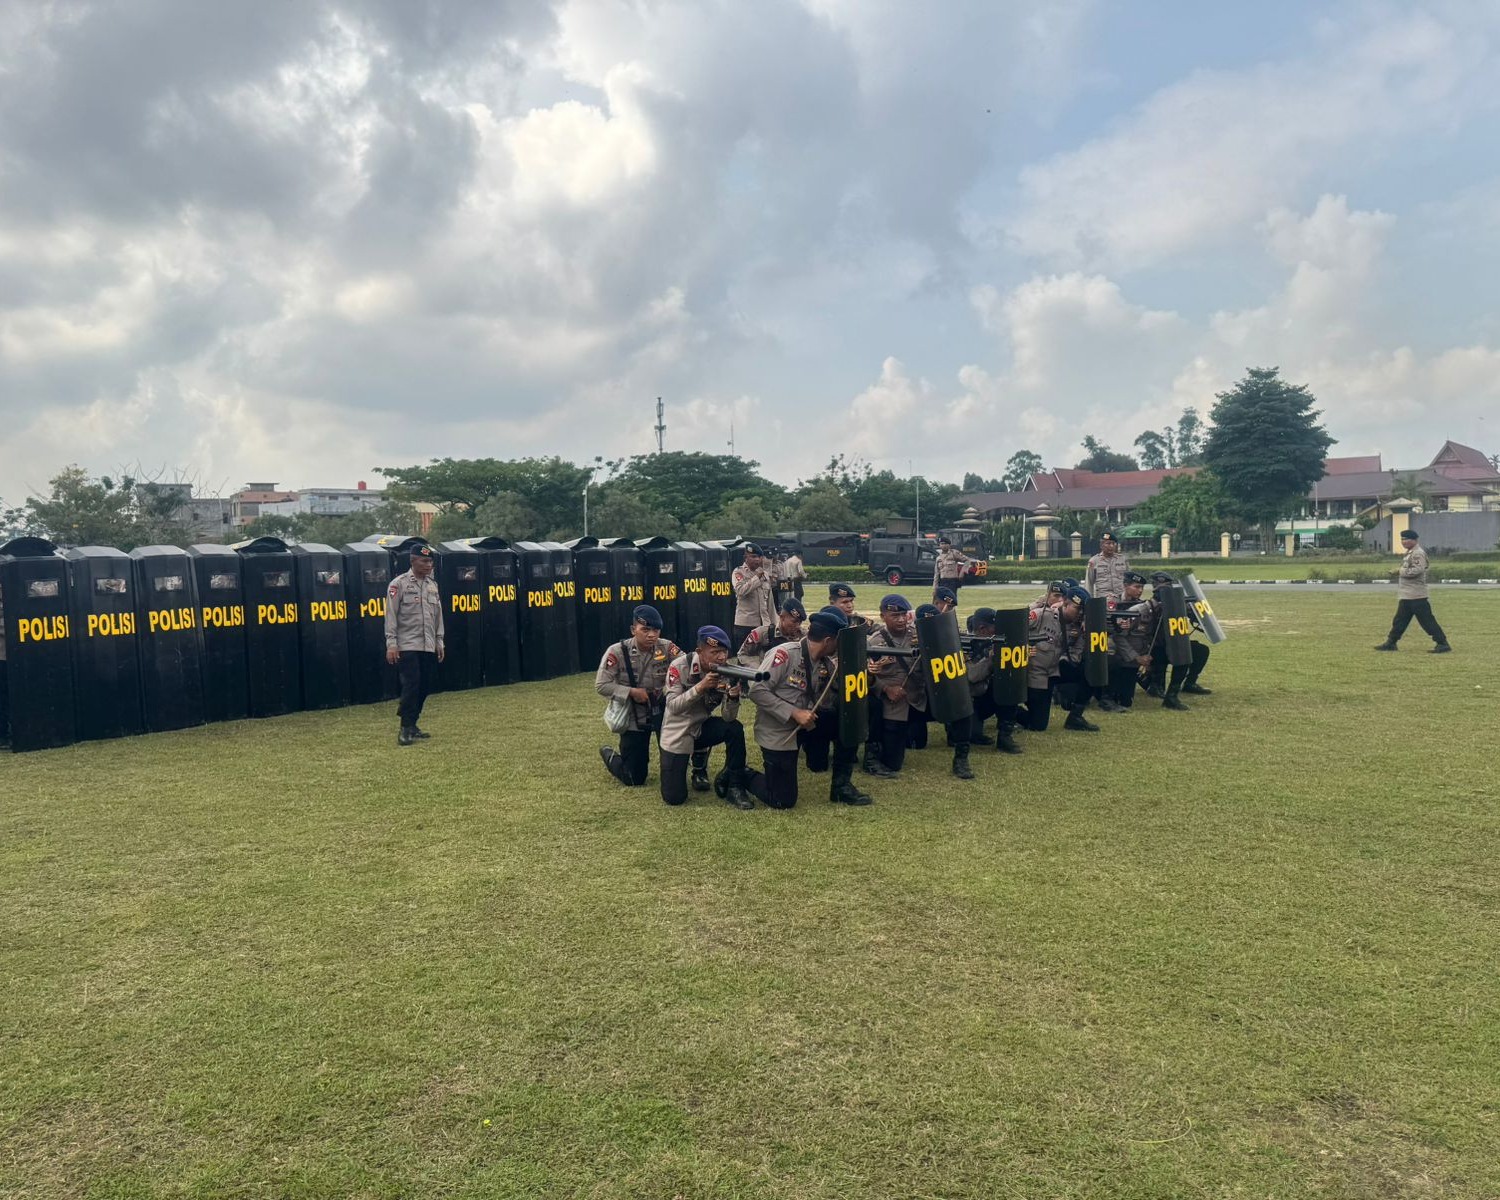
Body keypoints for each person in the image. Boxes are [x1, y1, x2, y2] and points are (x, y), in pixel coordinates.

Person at [746, 607, 870, 808]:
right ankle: (741, 775)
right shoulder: (784, 655)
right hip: (779, 731)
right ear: (828, 641)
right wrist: (794, 712)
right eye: (838, 642)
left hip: (806, 725)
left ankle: (841, 786)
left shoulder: (826, 662)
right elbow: (757, 691)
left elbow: (838, 689)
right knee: (782, 800)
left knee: (846, 721)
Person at [659, 626, 752, 809]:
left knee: (734, 729)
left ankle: (734, 784)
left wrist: (733, 698)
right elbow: (673, 706)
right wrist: (700, 687)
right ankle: (696, 766)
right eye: (715, 652)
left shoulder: (726, 671)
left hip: (701, 728)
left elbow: (728, 717)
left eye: (724, 651)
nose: (721, 657)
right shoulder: (679, 667)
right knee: (674, 798)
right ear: (700, 652)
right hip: (678, 733)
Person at [597, 605, 681, 787]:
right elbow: (602, 685)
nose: (651, 635)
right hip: (634, 716)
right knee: (634, 778)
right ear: (633, 629)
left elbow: (686, 664)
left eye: (656, 630)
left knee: (674, 771)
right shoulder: (617, 651)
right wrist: (631, 692)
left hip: (662, 712)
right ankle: (608, 753)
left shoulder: (667, 648)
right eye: (645, 630)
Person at [385, 543, 445, 746]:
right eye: (425, 561)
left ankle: (413, 724)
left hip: (428, 644)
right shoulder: (398, 584)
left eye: (431, 561)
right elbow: (391, 616)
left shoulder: (432, 585)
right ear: (413, 561)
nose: (429, 565)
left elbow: (438, 616)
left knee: (424, 686)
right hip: (407, 644)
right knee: (411, 685)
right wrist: (391, 644)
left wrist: (439, 641)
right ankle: (404, 727)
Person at [1376, 529, 1452, 653]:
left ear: (1415, 540)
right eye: (1402, 539)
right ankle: (1391, 642)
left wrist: (1399, 571)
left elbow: (1417, 570)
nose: (1403, 542)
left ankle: (1442, 643)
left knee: (1427, 621)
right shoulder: (1410, 553)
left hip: (1416, 595)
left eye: (1406, 539)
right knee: (1399, 620)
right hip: (1407, 594)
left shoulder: (1417, 553)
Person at [963, 608, 1023, 755]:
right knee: (970, 735)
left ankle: (1005, 736)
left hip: (985, 696)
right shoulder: (964, 645)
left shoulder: (992, 641)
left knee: (1008, 683)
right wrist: (991, 659)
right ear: (982, 629)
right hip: (968, 702)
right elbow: (972, 676)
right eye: (995, 628)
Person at [1055, 585, 1103, 730]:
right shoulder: (1048, 616)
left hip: (1063, 666)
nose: (1080, 612)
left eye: (1083, 610)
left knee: (1091, 671)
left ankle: (1075, 716)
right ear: (1065, 603)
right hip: (1042, 669)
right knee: (1037, 724)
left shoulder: (1081, 622)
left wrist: (1089, 624)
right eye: (1077, 608)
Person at [1021, 588, 1064, 731]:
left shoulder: (1066, 617)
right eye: (1056, 596)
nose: (1059, 600)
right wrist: (1024, 648)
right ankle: (1007, 712)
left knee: (1040, 725)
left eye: (1062, 598)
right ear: (1047, 596)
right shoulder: (1038, 614)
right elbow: (1015, 630)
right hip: (1032, 673)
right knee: (1036, 724)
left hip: (1050, 675)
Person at [1108, 572, 1152, 709]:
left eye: (1142, 588)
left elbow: (1145, 635)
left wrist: (1146, 656)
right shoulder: (1111, 604)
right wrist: (1136, 657)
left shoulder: (1143, 607)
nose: (1140, 590)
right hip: (1114, 653)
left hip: (1132, 657)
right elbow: (1115, 636)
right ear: (1125, 586)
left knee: (1126, 701)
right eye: (1136, 586)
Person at [731, 543, 775, 648]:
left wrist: (773, 624)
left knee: (763, 657)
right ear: (746, 558)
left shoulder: (764, 575)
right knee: (745, 660)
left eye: (759, 557)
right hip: (745, 625)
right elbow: (740, 590)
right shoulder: (739, 572)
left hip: (763, 625)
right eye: (754, 556)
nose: (757, 560)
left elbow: (770, 602)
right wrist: (757, 578)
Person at [737, 596, 806, 661]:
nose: (797, 626)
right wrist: (760, 669)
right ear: (782, 617)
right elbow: (742, 655)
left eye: (799, 622)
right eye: (794, 622)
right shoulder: (762, 634)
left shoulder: (804, 637)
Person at [1085, 532, 1130, 602]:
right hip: (1103, 599)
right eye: (1108, 543)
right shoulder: (1094, 561)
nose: (1111, 546)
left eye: (1113, 543)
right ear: (1101, 545)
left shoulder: (1122, 560)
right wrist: (1089, 601)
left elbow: (1129, 579)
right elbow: (1089, 583)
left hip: (1122, 598)